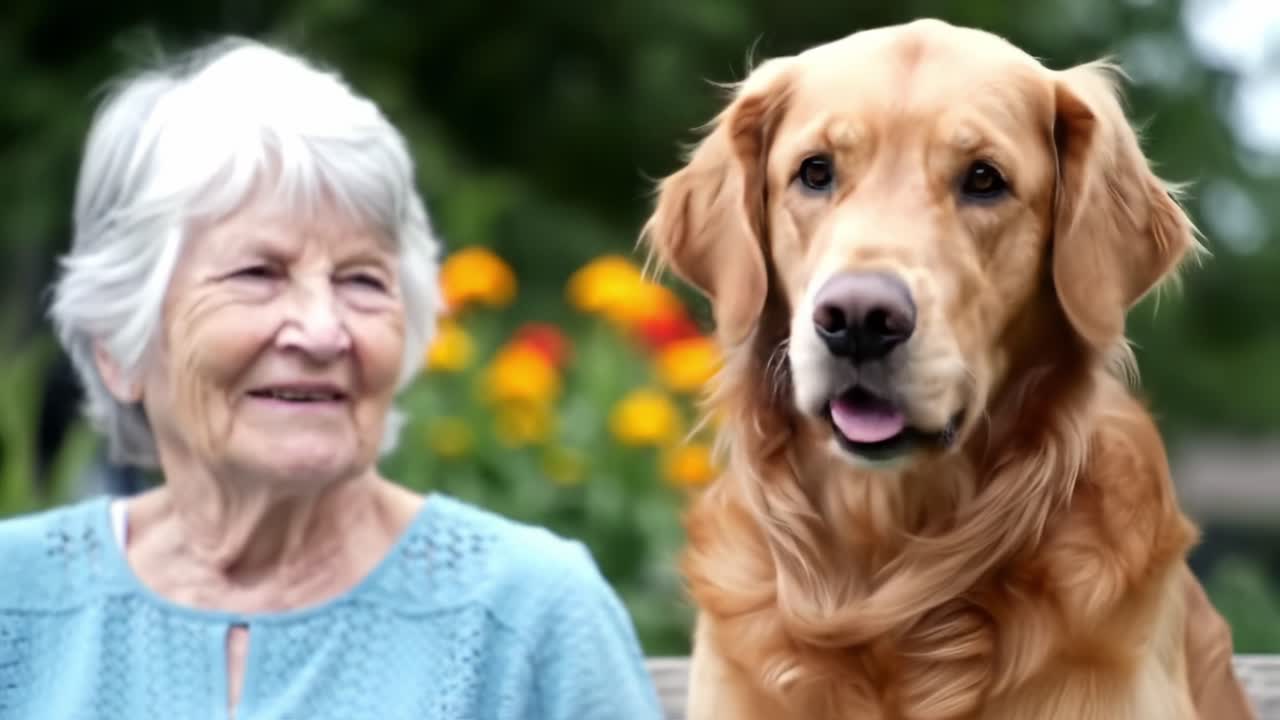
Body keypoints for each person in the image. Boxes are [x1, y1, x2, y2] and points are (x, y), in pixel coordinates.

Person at [0, 36, 663, 719]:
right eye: (258, 273)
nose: (323, 331)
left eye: (361, 280)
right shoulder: (15, 604)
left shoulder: (528, 615)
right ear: (119, 343)